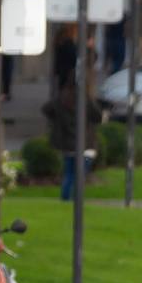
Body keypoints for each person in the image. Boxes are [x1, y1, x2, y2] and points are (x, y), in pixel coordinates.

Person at [44, 74, 101, 202]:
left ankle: (65, 198)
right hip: (85, 143)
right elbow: (98, 116)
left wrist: (56, 120)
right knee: (80, 174)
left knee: (69, 173)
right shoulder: (85, 100)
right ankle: (76, 199)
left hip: (68, 145)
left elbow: (46, 109)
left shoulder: (61, 99)